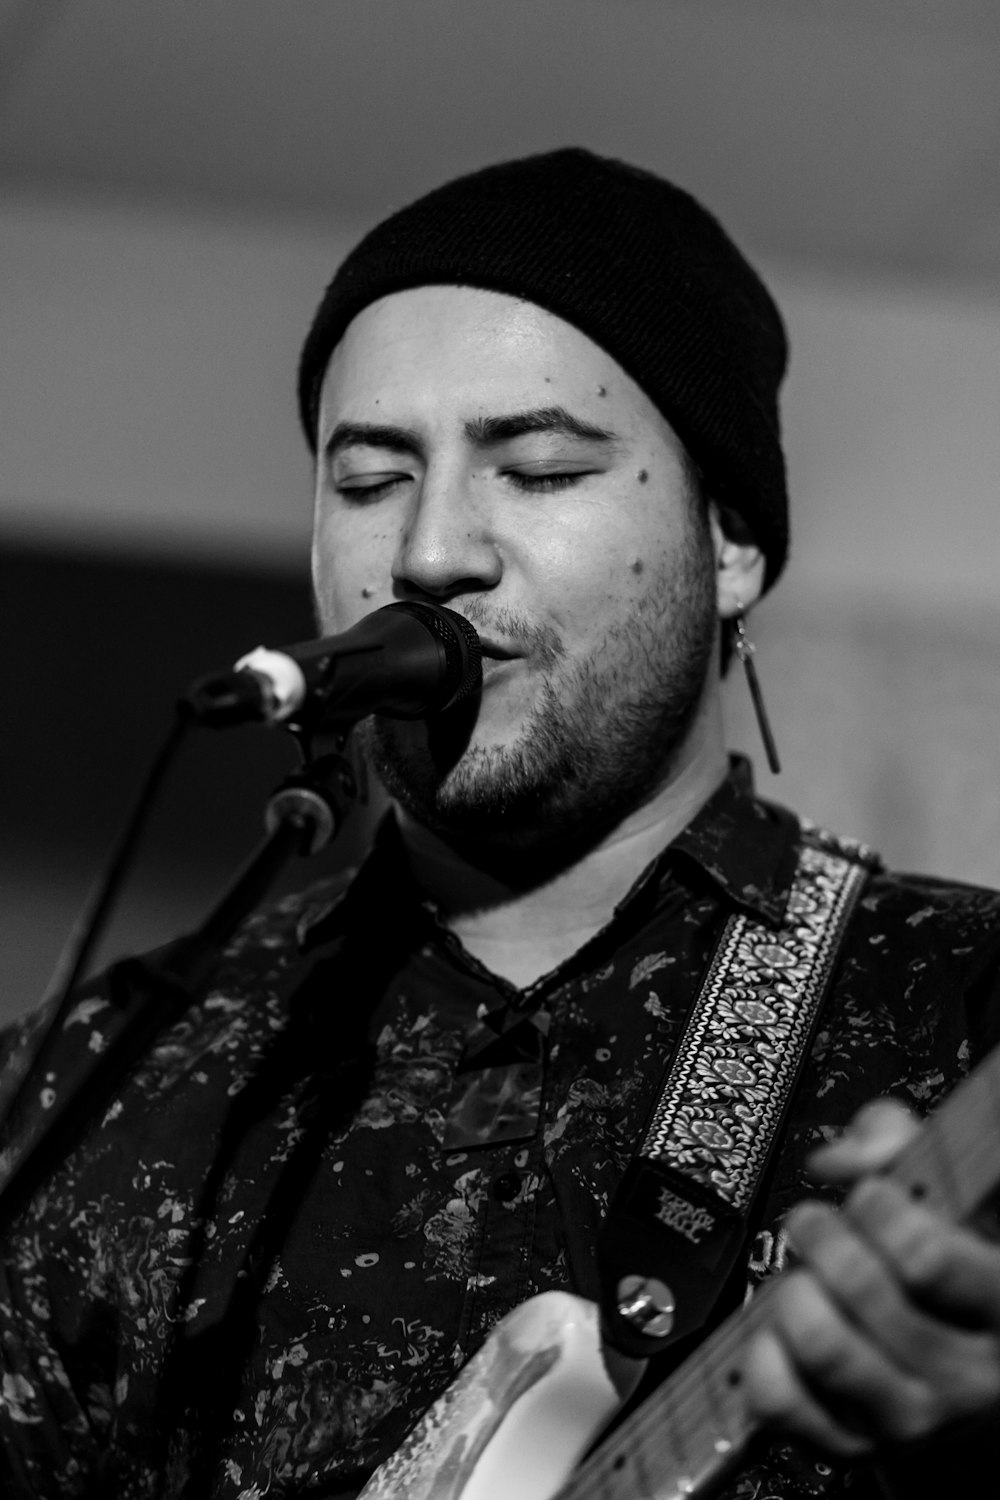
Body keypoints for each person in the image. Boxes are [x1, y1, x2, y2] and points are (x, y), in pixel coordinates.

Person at [1, 147, 998, 1499]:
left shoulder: (956, 1006)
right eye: (367, 481)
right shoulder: (94, 1093)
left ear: (731, 543)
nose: (428, 553)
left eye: (534, 468)